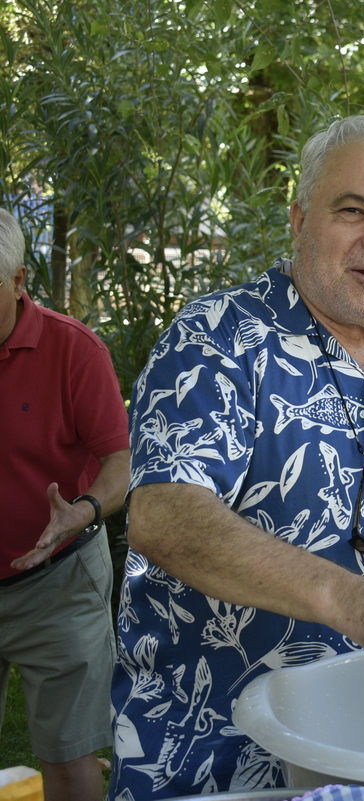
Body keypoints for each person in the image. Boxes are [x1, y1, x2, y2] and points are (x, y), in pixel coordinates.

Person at [108, 116, 364, 799]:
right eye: (354, 210)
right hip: (215, 764)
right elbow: (162, 515)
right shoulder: (218, 339)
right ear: (300, 217)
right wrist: (351, 597)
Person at [0, 208, 130, 801]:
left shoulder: (74, 350)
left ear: (21, 280)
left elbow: (121, 465)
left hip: (59, 578)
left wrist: (83, 510)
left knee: (70, 755)